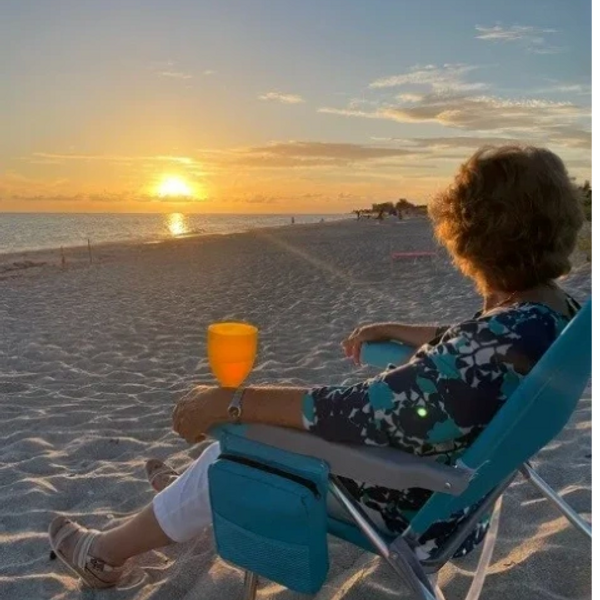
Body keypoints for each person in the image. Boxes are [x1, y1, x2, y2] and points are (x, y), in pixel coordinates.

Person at [49, 146, 585, 589]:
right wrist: (406, 330)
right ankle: (182, 496)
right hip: (459, 492)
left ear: (470, 236)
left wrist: (233, 401)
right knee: (234, 441)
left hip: (407, 499)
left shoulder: (498, 340)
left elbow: (361, 412)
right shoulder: (550, 317)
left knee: (229, 448)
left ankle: (103, 554)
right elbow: (473, 356)